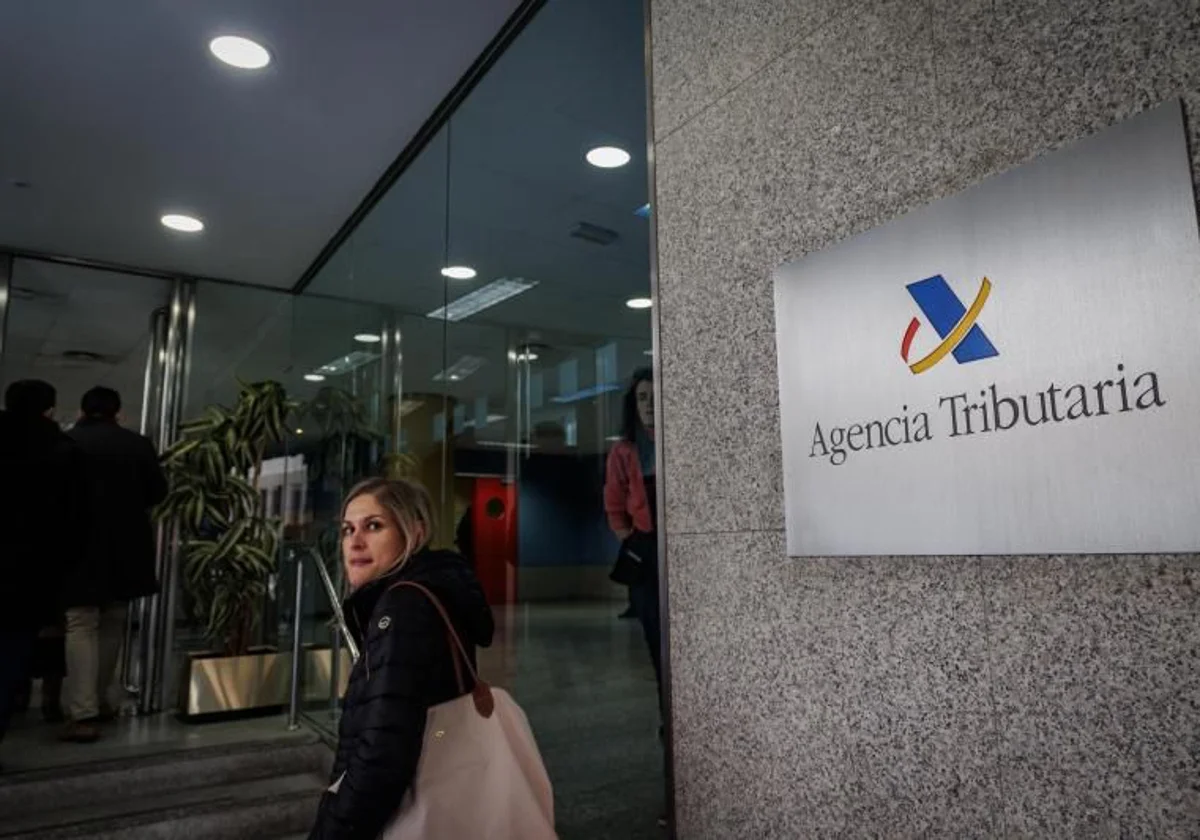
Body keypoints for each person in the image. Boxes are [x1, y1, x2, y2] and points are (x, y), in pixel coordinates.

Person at [309, 477, 495, 840]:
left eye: (374, 526)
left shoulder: (402, 608)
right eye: (348, 530)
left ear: (416, 531)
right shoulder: (427, 591)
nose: (355, 542)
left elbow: (381, 752)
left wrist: (332, 831)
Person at [61, 387, 167, 743]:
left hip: (77, 547)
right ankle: (103, 699)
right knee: (113, 622)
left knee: (80, 624)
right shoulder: (137, 445)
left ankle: (82, 710)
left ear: (82, 410)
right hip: (126, 547)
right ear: (117, 412)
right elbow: (157, 493)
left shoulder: (69, 442)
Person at [0, 380, 85, 762]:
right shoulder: (62, 451)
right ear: (49, 409)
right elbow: (73, 519)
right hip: (28, 575)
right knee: (11, 655)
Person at [604, 369, 662, 713]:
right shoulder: (624, 451)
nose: (650, 404)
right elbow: (613, 505)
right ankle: (667, 720)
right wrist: (632, 541)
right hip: (646, 547)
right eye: (642, 398)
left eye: (655, 396)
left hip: (681, 548)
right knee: (656, 639)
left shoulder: (676, 441)